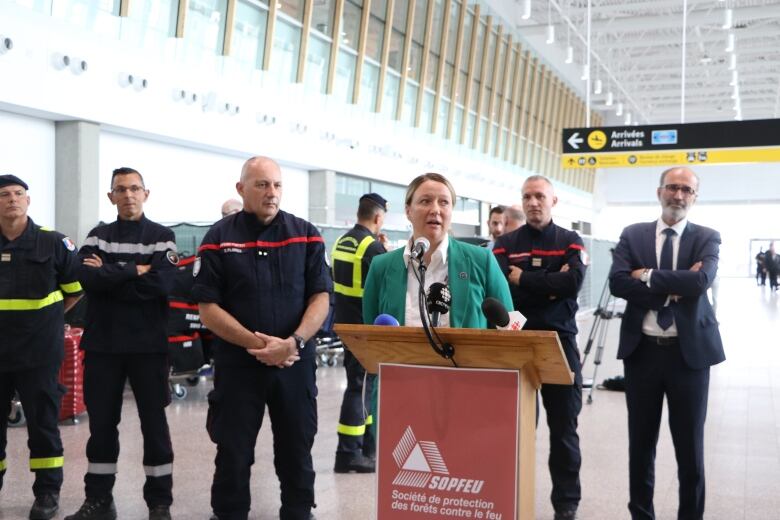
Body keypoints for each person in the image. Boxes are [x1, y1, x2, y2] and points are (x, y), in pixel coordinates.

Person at [192, 156, 331, 520]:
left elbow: (321, 298)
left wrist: (292, 343)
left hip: (294, 363)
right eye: (262, 185)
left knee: (296, 447)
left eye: (277, 185)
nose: (272, 193)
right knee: (233, 449)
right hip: (239, 366)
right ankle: (228, 512)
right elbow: (208, 308)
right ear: (241, 189)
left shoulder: (306, 234)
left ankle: (299, 511)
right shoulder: (218, 238)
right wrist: (260, 346)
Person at [608, 166, 725, 520]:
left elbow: (700, 282)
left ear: (695, 197)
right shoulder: (633, 234)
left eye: (686, 190)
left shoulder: (707, 237)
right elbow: (617, 283)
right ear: (659, 191)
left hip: (689, 358)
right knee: (640, 448)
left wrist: (646, 277)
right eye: (672, 187)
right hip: (642, 354)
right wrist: (671, 289)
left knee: (690, 450)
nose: (678, 195)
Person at [67, 167, 178, 520]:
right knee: (101, 426)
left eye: (134, 188)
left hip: (149, 347)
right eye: (120, 189)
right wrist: (136, 270)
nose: (128, 194)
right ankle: (99, 500)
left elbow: (163, 284)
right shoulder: (97, 236)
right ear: (110, 196)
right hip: (103, 347)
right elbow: (86, 276)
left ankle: (159, 503)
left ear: (146, 193)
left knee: (154, 425)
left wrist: (110, 275)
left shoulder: (162, 237)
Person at [492, 175, 587, 520]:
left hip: (560, 345)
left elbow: (573, 283)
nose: (534, 202)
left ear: (553, 201)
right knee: (516, 430)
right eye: (527, 196)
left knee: (563, 430)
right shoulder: (504, 244)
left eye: (540, 196)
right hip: (518, 345)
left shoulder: (570, 240)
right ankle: (511, 496)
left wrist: (525, 280)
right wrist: (550, 283)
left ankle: (566, 505)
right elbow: (501, 290)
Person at [0, 174, 83, 520]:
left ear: (28, 201)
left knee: (44, 425)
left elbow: (76, 290)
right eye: (4, 195)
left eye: (19, 193)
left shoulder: (54, 243)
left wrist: (45, 321)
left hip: (39, 353)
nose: (12, 199)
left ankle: (47, 494)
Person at [363, 172, 512, 330]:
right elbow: (370, 336)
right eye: (425, 201)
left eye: (444, 202)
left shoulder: (482, 261)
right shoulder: (381, 267)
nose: (435, 209)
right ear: (408, 211)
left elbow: (509, 329)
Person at [331, 193, 388, 474]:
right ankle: (348, 453)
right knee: (360, 387)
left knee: (360, 386)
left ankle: (365, 446)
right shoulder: (372, 248)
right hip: (364, 330)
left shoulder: (343, 241)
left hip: (344, 324)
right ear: (378, 218)